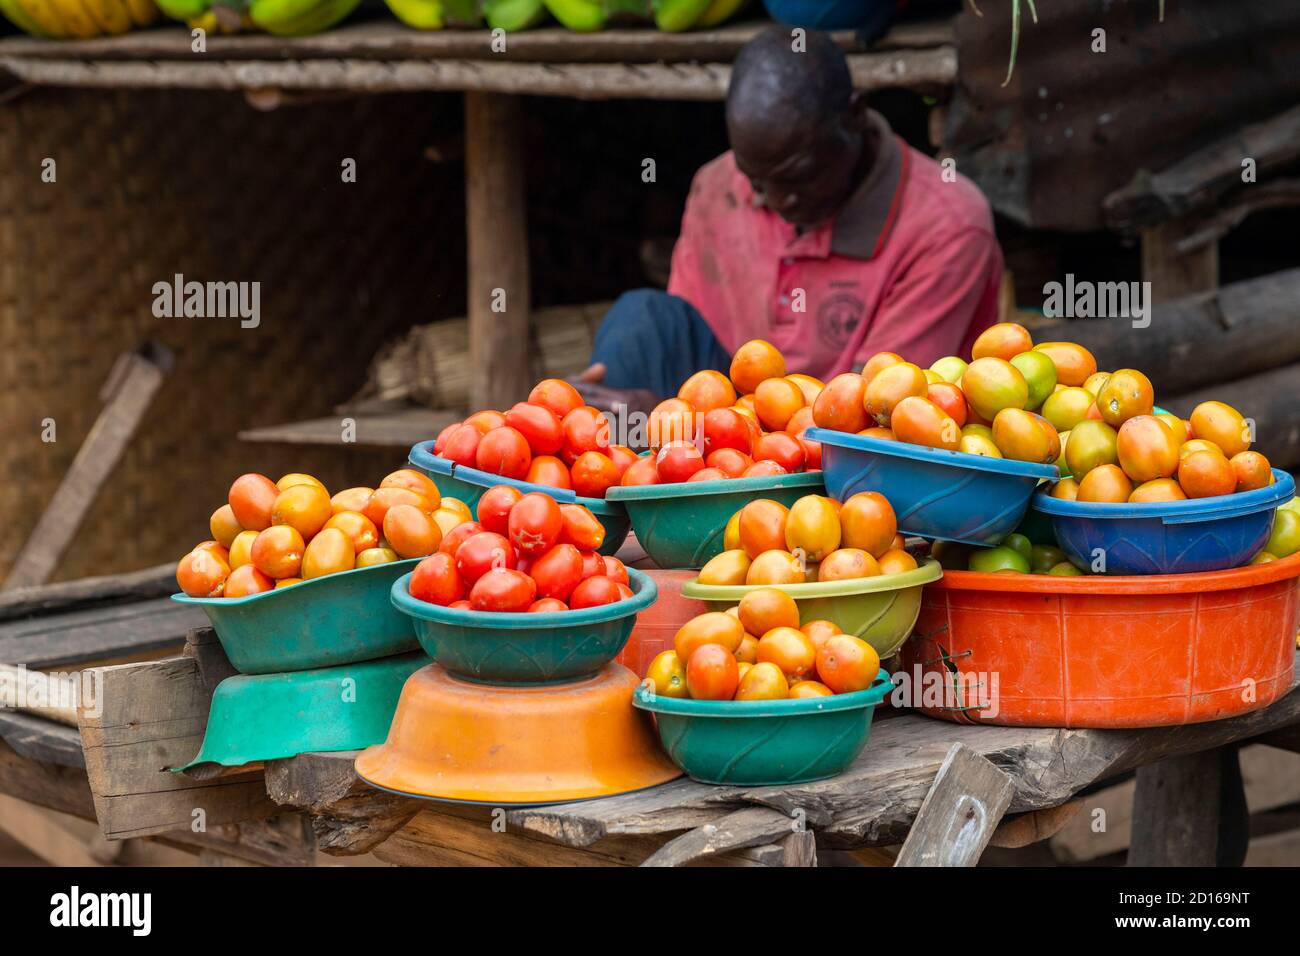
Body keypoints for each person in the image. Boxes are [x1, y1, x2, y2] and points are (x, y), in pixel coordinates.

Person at [574, 26, 1002, 415]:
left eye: (797, 175)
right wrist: (668, 416)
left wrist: (679, 423)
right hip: (724, 419)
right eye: (757, 179)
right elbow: (696, 373)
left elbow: (875, 420)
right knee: (643, 318)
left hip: (850, 452)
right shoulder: (720, 185)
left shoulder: (948, 227)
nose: (776, 199)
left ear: (854, 117)